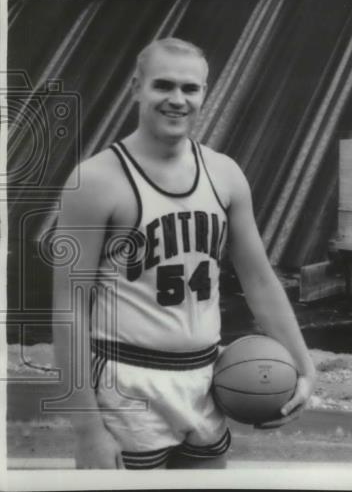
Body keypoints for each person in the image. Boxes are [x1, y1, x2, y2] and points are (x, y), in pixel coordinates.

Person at [51, 37, 316, 469]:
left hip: (206, 377)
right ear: (136, 87)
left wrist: (305, 369)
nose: (177, 99)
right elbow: (69, 308)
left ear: (205, 93)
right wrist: (87, 430)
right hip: (127, 380)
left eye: (190, 89)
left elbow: (260, 281)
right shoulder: (96, 180)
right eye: (163, 85)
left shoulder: (225, 174)